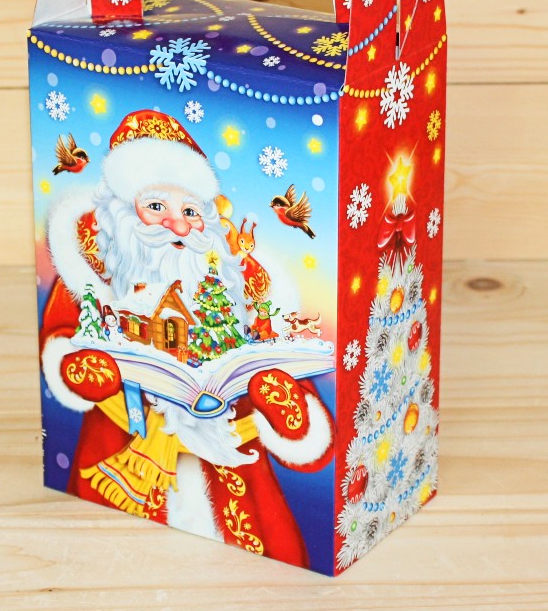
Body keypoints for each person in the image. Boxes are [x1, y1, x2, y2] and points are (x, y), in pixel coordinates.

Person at [40, 109, 333, 567]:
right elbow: (60, 339)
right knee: (109, 553)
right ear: (121, 212)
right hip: (123, 454)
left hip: (232, 470)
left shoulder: (238, 285)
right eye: (157, 207)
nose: (178, 227)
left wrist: (289, 413)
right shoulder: (95, 273)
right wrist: (76, 368)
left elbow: (310, 439)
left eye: (191, 212)